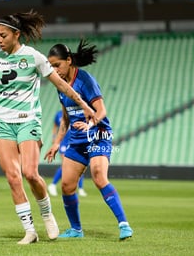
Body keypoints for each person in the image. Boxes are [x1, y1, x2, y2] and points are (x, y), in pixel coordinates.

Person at [0, 10, 96, 245]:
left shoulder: (34, 57)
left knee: (30, 173)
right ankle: (30, 231)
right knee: (13, 177)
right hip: (2, 122)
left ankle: (47, 214)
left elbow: (61, 85)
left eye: (3, 35)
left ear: (16, 34)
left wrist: (84, 105)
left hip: (28, 120)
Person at [44, 39, 133, 241]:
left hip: (97, 135)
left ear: (69, 60)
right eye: (51, 66)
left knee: (99, 176)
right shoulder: (61, 86)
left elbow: (101, 111)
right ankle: (76, 230)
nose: (54, 70)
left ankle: (124, 224)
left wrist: (90, 125)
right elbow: (66, 118)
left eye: (57, 65)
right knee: (66, 185)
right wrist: (57, 142)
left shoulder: (85, 80)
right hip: (76, 139)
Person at [48, 110, 87, 197]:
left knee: (80, 164)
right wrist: (54, 137)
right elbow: (55, 126)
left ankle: (80, 188)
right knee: (65, 164)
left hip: (75, 141)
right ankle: (53, 184)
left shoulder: (76, 111)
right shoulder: (58, 114)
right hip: (63, 142)